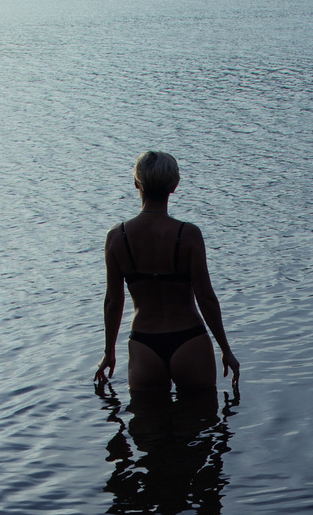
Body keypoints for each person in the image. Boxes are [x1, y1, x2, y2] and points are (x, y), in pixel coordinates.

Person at [95, 151, 241, 398]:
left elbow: (113, 301)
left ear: (136, 184)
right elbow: (206, 298)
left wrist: (109, 352)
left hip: (144, 344)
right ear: (174, 185)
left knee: (148, 430)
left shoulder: (116, 238)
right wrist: (226, 350)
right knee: (203, 427)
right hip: (189, 341)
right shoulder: (188, 235)